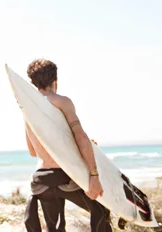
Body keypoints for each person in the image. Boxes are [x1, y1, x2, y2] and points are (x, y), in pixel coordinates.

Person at [22, 59, 112, 232]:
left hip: (42, 180)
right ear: (55, 79)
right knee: (101, 209)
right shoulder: (62, 102)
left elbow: (33, 151)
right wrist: (93, 175)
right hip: (65, 176)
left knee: (54, 229)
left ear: (33, 82)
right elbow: (81, 137)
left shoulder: (29, 109)